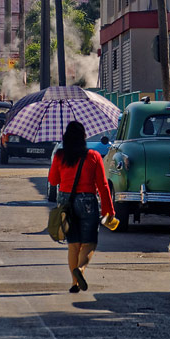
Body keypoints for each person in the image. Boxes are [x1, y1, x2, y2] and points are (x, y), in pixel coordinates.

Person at [48, 121, 114, 294]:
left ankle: (74, 283)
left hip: (65, 202)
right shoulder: (93, 156)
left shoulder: (60, 155)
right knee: (89, 243)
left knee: (73, 245)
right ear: (84, 137)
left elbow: (53, 181)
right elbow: (103, 185)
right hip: (87, 202)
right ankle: (81, 269)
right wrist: (109, 210)